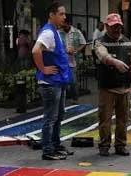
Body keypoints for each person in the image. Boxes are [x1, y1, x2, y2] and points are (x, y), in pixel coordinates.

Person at [32, 2, 74, 161]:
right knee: (51, 117)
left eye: (64, 14)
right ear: (52, 15)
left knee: (58, 115)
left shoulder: (54, 32)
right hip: (50, 84)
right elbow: (36, 50)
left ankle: (55, 144)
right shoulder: (48, 33)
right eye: (61, 14)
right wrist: (43, 69)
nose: (64, 17)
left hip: (58, 82)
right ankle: (48, 149)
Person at [94, 13, 131, 157]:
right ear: (107, 26)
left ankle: (120, 145)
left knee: (122, 119)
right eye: (113, 27)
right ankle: (104, 145)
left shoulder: (128, 42)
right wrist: (115, 62)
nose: (117, 29)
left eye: (119, 26)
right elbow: (103, 55)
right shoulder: (100, 42)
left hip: (124, 87)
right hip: (107, 87)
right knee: (105, 119)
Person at [62, 16, 86, 103]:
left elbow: (83, 43)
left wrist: (76, 50)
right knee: (62, 82)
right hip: (62, 61)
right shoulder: (59, 32)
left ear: (69, 24)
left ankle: (75, 98)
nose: (63, 27)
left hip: (73, 61)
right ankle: (63, 99)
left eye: (64, 25)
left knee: (73, 81)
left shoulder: (76, 32)